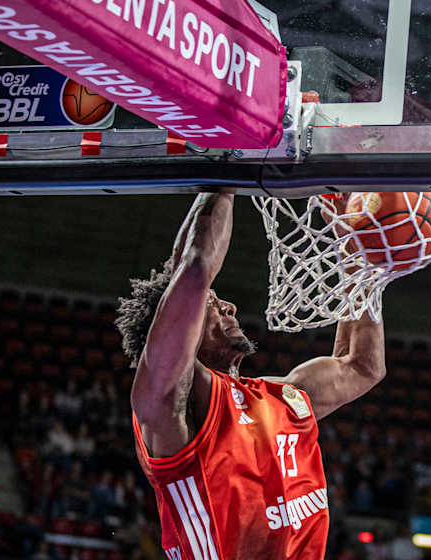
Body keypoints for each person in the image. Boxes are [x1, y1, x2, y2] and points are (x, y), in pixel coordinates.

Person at [116, 193, 386, 560]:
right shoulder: (168, 405)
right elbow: (192, 270)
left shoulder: (279, 398)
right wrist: (226, 181)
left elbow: (362, 365)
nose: (229, 307)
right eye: (212, 304)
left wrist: (355, 249)